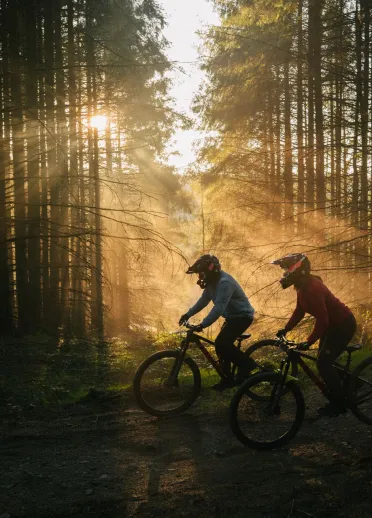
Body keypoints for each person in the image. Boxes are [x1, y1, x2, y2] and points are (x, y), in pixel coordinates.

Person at [273, 253, 356, 416]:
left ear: (299, 270)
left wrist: (309, 341)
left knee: (323, 363)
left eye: (287, 270)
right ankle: (351, 382)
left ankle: (338, 404)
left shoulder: (312, 288)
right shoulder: (302, 286)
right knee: (324, 360)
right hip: (333, 326)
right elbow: (299, 310)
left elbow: (323, 320)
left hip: (343, 325)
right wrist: (286, 328)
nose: (285, 274)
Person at [179, 254, 256, 391]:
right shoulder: (212, 283)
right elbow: (203, 301)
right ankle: (227, 379)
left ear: (210, 270)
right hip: (232, 317)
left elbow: (219, 307)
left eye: (201, 273)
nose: (200, 277)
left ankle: (247, 365)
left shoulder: (224, 283)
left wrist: (203, 324)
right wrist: (187, 314)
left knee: (222, 343)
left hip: (243, 316)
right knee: (220, 346)